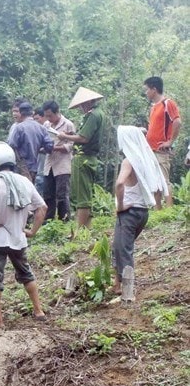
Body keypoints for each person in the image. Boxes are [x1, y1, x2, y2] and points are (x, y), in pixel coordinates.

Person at [0, 142, 47, 335]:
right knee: (26, 274)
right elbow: (42, 208)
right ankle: (38, 310)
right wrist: (32, 231)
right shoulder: (24, 181)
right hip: (18, 238)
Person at [112, 126, 168, 300]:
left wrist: (120, 206)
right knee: (118, 247)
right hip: (142, 212)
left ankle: (128, 292)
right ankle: (117, 284)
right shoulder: (145, 160)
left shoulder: (129, 161)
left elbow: (120, 184)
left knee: (124, 250)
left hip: (129, 213)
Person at [57, 87, 105, 229]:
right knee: (86, 193)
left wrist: (64, 136)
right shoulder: (99, 114)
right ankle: (87, 228)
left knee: (81, 196)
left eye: (82, 105)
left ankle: (80, 230)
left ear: (89, 102)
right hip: (91, 158)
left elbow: (83, 138)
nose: (81, 108)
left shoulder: (93, 115)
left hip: (83, 158)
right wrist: (72, 133)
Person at [143, 76, 182, 209]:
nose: (146, 92)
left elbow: (177, 121)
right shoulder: (154, 107)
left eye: (147, 89)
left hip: (161, 150)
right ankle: (158, 210)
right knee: (155, 182)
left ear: (154, 89)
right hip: (151, 150)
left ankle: (169, 210)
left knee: (164, 180)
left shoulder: (167, 103)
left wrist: (170, 142)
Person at [42, 100, 75, 221]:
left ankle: (64, 220)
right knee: (48, 194)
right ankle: (48, 221)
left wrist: (54, 148)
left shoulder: (68, 125)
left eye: (50, 115)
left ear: (57, 112)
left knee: (62, 195)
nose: (48, 118)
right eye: (47, 116)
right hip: (49, 163)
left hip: (62, 164)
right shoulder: (46, 125)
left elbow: (71, 146)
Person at [8, 102, 54, 182]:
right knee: (30, 191)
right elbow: (50, 146)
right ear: (32, 113)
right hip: (34, 168)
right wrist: (39, 148)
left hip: (20, 169)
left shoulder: (19, 128)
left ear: (21, 114)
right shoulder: (41, 128)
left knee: (20, 192)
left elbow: (11, 146)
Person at [33, 107, 47, 196]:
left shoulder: (46, 130)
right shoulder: (36, 130)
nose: (36, 121)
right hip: (37, 169)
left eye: (37, 119)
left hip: (44, 169)